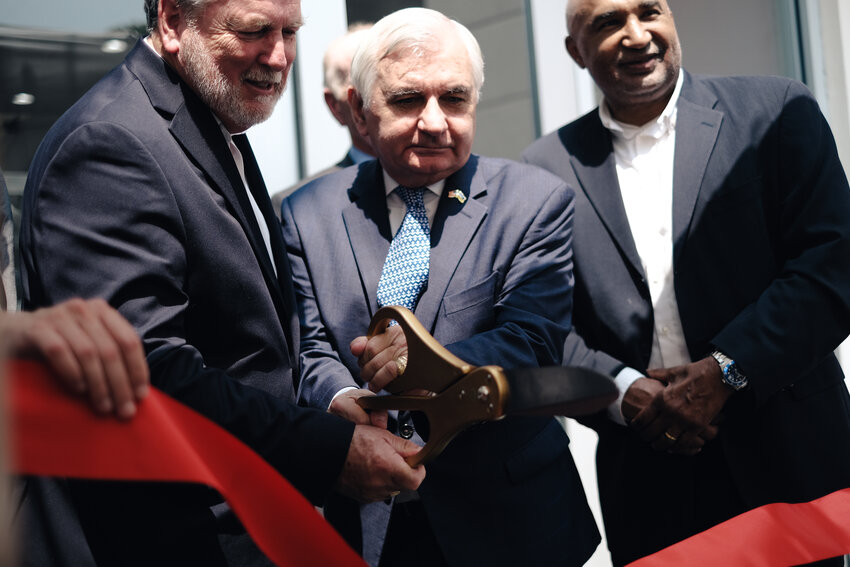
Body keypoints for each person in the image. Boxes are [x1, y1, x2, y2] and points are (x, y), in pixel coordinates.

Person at [19, 0, 425, 565]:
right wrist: (327, 451)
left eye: (290, 31)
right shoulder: (111, 143)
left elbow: (245, 348)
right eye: (255, 30)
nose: (279, 56)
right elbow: (149, 373)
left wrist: (320, 409)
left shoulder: (211, 116)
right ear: (169, 20)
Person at [521, 0, 850, 564]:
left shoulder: (775, 111)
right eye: (607, 23)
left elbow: (832, 264)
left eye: (649, 11)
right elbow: (544, 329)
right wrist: (625, 392)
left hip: (790, 458)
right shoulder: (543, 170)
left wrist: (726, 371)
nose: (636, 34)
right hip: (650, 478)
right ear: (576, 52)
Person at [281, 8, 600, 567]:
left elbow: (532, 342)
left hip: (510, 523)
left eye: (454, 99)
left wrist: (417, 363)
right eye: (407, 100)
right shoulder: (307, 213)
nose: (434, 122)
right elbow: (305, 350)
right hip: (365, 523)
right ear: (358, 109)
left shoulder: (533, 202)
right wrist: (345, 401)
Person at [271, 23, 375, 216]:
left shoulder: (445, 182)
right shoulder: (297, 209)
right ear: (335, 107)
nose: (380, 103)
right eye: (364, 93)